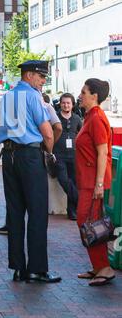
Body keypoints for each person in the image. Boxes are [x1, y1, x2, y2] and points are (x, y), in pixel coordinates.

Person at [0, 60, 61, 283]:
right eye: (41, 76)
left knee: (14, 212)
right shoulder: (33, 96)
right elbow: (48, 133)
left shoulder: (6, 97)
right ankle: (37, 269)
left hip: (8, 156)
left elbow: (0, 127)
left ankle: (18, 267)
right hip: (30, 156)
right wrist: (48, 153)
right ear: (29, 75)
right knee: (37, 212)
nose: (43, 81)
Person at [76, 79, 115, 286]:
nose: (80, 95)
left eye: (84, 92)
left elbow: (103, 152)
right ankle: (98, 266)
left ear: (94, 96)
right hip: (88, 179)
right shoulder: (90, 116)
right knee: (90, 222)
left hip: (93, 182)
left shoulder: (97, 117)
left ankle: (104, 268)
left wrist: (99, 184)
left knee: (88, 221)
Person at [53, 93, 82, 221]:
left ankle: (72, 212)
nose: (66, 105)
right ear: (60, 103)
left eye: (68, 103)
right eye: (63, 103)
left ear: (72, 104)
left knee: (73, 182)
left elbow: (81, 135)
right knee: (64, 180)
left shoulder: (77, 118)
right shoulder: (55, 117)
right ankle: (80, 201)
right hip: (59, 156)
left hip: (74, 156)